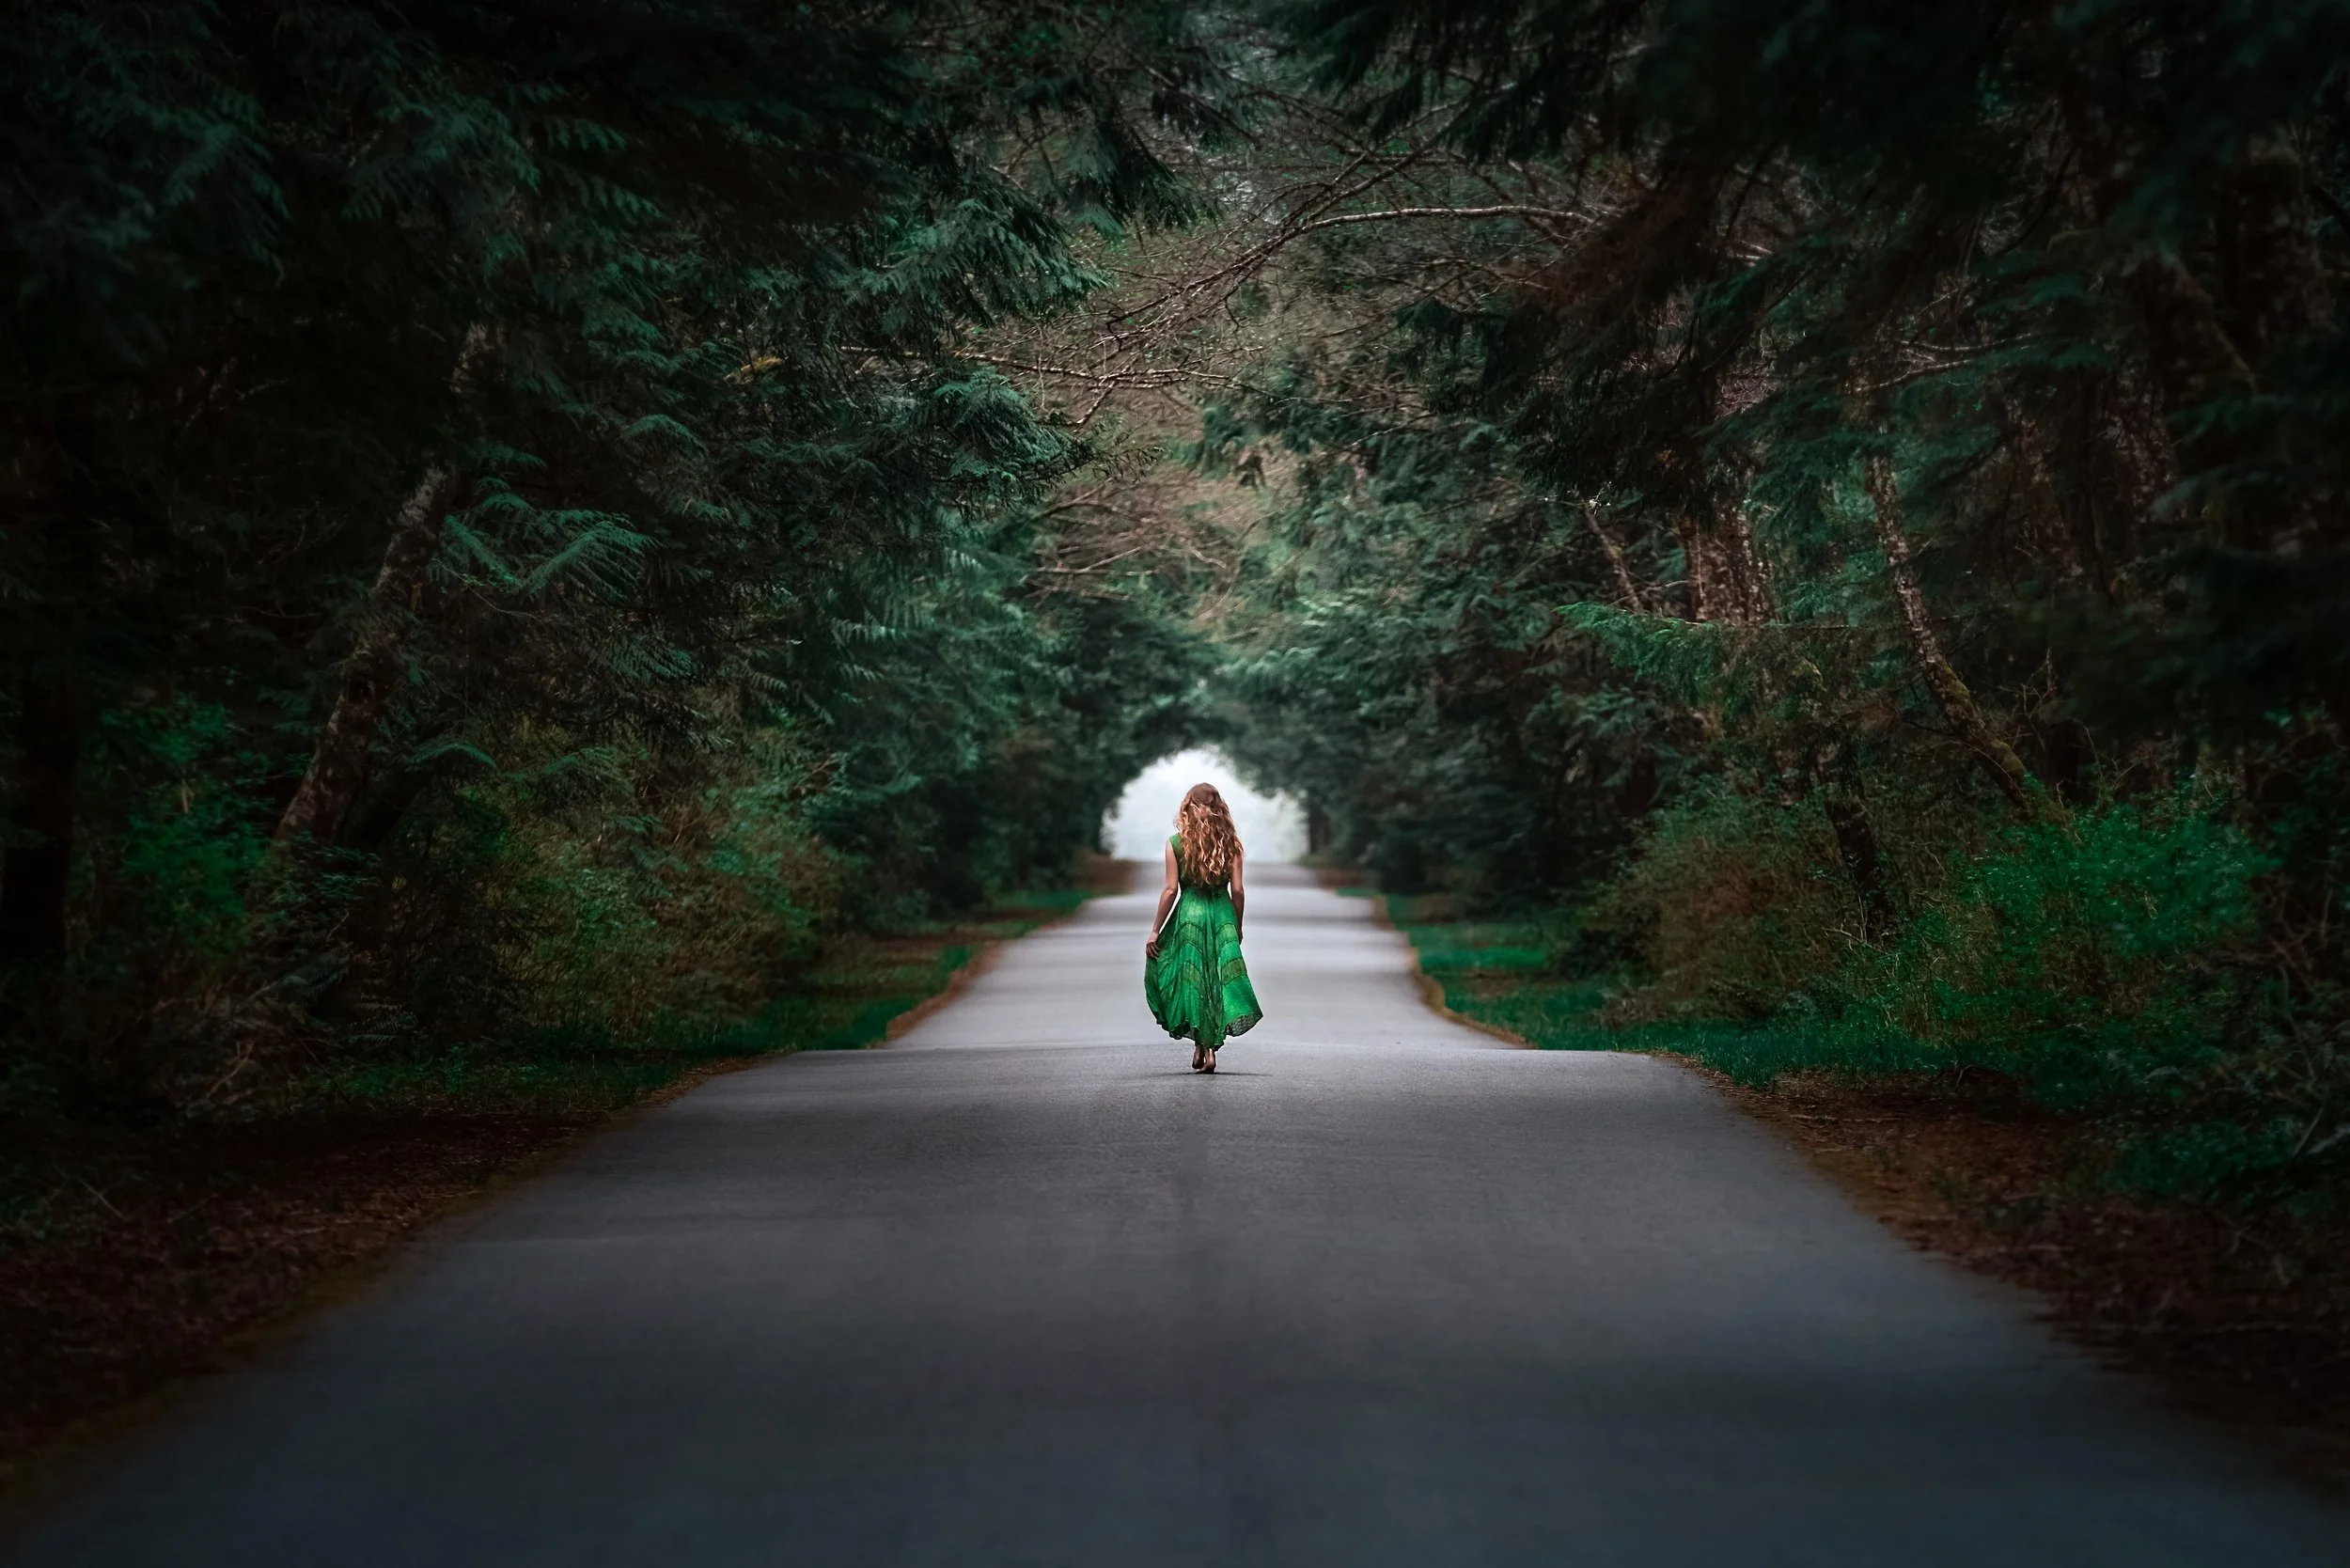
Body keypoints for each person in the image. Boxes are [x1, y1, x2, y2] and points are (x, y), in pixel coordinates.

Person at [1144, 782, 1263, 1073]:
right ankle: (1210, 1048)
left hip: (1190, 915)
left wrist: (1155, 930)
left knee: (1192, 977)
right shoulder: (1231, 844)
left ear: (1189, 807)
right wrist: (1237, 923)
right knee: (1218, 978)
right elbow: (1239, 891)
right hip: (1222, 914)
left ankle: (1201, 1045)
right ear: (1218, 808)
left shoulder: (1175, 844)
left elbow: (1170, 890)